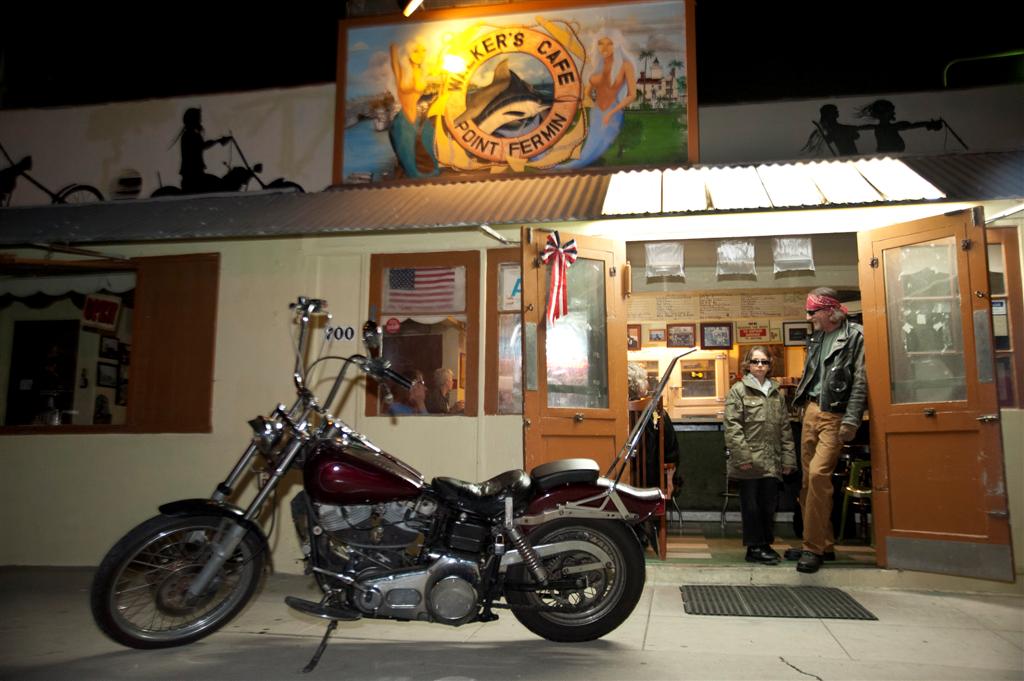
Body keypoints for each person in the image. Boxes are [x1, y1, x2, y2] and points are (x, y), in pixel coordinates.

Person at [788, 287, 868, 573]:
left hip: (835, 414)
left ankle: (812, 548)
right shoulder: (818, 337)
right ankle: (823, 543)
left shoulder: (856, 336)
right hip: (810, 410)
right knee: (809, 481)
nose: (808, 317)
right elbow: (813, 375)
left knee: (820, 475)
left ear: (831, 310)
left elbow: (861, 381)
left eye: (813, 312)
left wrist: (851, 419)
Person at [724, 346, 796, 565]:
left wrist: (788, 458)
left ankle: (765, 544)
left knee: (768, 504)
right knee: (752, 506)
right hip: (750, 460)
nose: (760, 366)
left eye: (764, 362)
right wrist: (743, 457)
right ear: (747, 365)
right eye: (756, 362)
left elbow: (785, 427)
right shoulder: (738, 390)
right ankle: (754, 547)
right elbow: (732, 427)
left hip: (772, 459)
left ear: (769, 365)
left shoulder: (776, 392)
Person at [562, 32, 637, 169]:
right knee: (588, 148)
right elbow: (587, 92)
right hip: (596, 113)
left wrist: (611, 113)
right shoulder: (597, 66)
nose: (604, 48)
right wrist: (585, 103)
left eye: (609, 43)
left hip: (612, 113)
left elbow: (632, 95)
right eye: (600, 44)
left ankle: (565, 167)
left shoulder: (625, 65)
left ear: (617, 45)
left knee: (595, 150)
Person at [627, 363, 680, 494]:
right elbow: (672, 450)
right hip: (653, 484)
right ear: (640, 384)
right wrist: (669, 481)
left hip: (619, 482)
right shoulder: (656, 412)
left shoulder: (616, 415)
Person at [388, 40, 439, 178]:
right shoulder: (402, 71)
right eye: (416, 51)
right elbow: (393, 56)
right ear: (408, 53)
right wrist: (394, 42)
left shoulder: (422, 72)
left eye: (423, 50)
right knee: (408, 157)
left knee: (431, 151)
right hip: (404, 119)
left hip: (420, 119)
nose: (421, 54)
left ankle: (430, 174)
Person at [857, 99, 942, 153]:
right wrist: (927, 124)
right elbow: (911, 126)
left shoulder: (888, 127)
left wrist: (927, 124)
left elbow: (911, 126)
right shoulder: (888, 127)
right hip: (888, 155)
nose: (893, 113)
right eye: (890, 112)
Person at [178, 107, 231, 194]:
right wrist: (218, 141)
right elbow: (202, 146)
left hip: (194, 173)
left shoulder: (190, 134)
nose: (200, 121)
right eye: (199, 118)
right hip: (194, 175)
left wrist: (217, 141)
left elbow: (202, 146)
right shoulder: (191, 135)